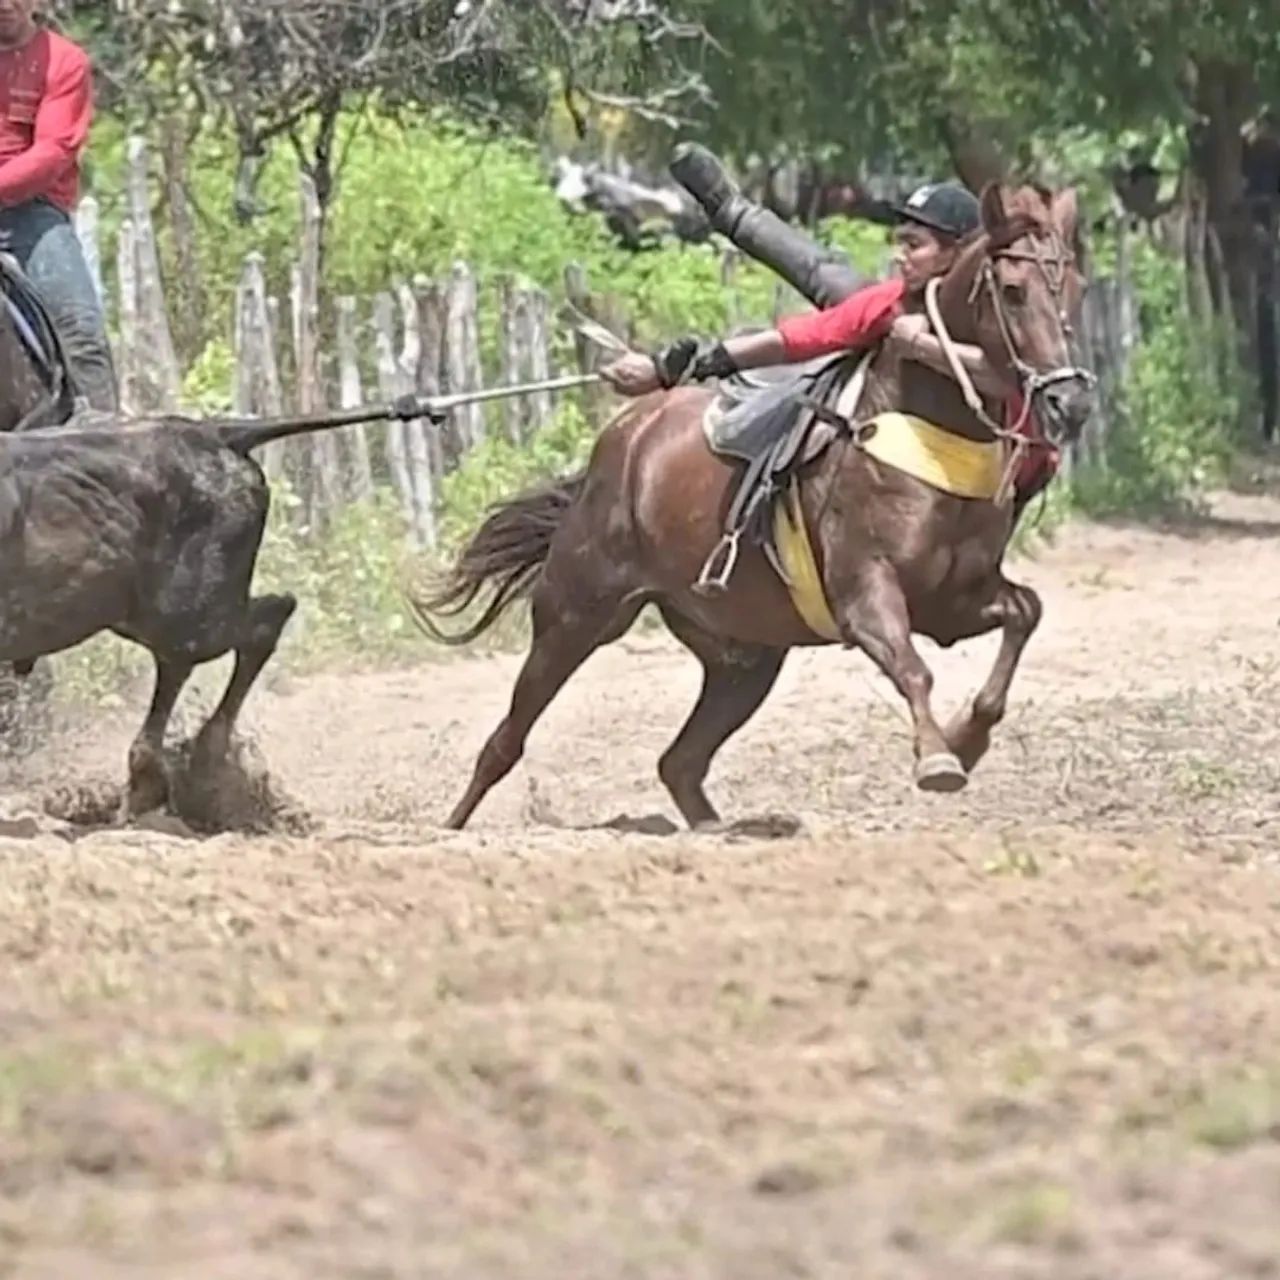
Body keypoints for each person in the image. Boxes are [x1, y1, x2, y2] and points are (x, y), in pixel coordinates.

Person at [0, 0, 118, 411]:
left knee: (80, 329)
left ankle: (103, 438)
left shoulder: (63, 62)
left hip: (31, 216)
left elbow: (53, 152)